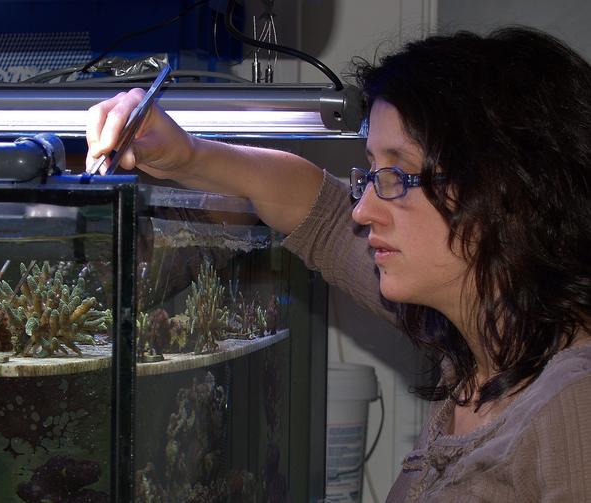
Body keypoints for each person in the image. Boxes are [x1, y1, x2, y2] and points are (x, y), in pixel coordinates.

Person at [86, 26, 591, 502]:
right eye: (370, 172)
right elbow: (318, 208)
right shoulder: (477, 343)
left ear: (506, 192)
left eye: (396, 175)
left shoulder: (574, 408)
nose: (363, 208)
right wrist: (187, 155)